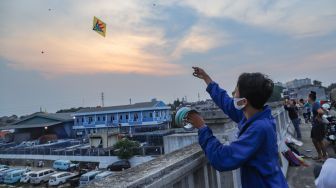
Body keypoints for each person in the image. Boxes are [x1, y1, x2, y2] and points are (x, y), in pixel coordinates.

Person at [187, 67, 288, 188]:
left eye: (236, 91)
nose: (233, 94)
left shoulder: (259, 128)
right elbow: (226, 103)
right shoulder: (255, 116)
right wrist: (207, 79)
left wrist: (202, 128)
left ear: (243, 102)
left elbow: (223, 158)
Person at [309, 91, 327, 161]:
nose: (307, 98)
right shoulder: (314, 104)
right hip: (315, 125)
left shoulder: (316, 104)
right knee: (314, 140)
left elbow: (321, 112)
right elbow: (322, 110)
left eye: (308, 97)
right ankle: (320, 155)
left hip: (318, 125)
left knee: (320, 141)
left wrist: (318, 117)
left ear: (310, 98)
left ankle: (324, 157)